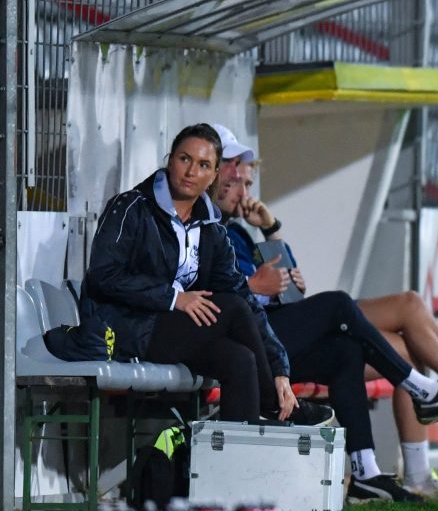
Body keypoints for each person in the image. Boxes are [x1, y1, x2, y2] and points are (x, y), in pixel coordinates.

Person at [211, 124, 438, 500]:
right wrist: (259, 286)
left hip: (275, 329)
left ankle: (387, 468)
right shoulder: (211, 229)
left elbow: (292, 293)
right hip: (257, 339)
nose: (244, 192)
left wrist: (272, 231)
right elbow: (238, 294)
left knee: (387, 347)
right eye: (238, 180)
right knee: (388, 306)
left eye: (248, 184)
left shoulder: (237, 231)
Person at [71, 123, 331, 425]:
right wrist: (173, 298)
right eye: (184, 159)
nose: (191, 171)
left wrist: (280, 370)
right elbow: (103, 275)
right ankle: (275, 405)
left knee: (240, 359)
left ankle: (235, 463)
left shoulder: (211, 230)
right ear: (170, 161)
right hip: (123, 329)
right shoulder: (131, 207)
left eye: (203, 164)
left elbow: (242, 295)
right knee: (231, 309)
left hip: (170, 333)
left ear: (214, 174)